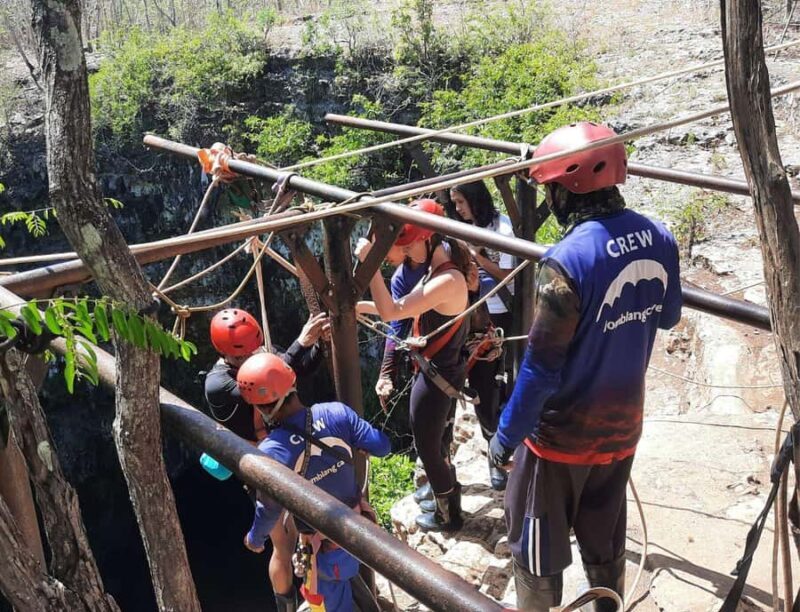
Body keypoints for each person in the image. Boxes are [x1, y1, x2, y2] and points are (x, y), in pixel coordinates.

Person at [488, 122, 682, 611]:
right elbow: (669, 316)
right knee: (605, 534)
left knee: (534, 551)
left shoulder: (568, 261)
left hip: (559, 442)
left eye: (550, 188)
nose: (549, 199)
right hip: (621, 431)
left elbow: (539, 371)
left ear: (567, 187)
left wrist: (504, 438)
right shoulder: (660, 238)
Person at [238, 353, 390, 612]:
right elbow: (382, 446)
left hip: (325, 549)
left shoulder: (272, 451)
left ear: (261, 408)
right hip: (361, 530)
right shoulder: (336, 412)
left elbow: (269, 510)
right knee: (349, 582)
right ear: (293, 382)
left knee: (333, 602)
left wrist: (255, 538)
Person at [355, 199, 471, 532]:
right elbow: (400, 308)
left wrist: (371, 264)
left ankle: (448, 514)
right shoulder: (440, 271)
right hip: (439, 370)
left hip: (438, 374)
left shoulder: (446, 280)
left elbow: (393, 312)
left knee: (427, 444)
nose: (406, 254)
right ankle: (445, 495)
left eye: (408, 246)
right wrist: (360, 306)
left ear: (426, 239)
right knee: (436, 439)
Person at [203, 307, 329, 612]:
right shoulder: (218, 385)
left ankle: (315, 595)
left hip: (288, 449)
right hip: (260, 459)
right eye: (241, 356)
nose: (250, 359)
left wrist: (320, 345)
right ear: (225, 355)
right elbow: (259, 383)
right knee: (282, 544)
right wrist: (301, 343)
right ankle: (286, 605)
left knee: (308, 531)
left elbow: (295, 371)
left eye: (254, 351)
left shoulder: (264, 353)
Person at [451, 179, 516, 491]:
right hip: (474, 313)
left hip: (503, 310)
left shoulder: (501, 228)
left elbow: (507, 273)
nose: (458, 209)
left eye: (461, 203)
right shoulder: (465, 226)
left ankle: (508, 450)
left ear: (475, 200)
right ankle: (495, 455)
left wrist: (475, 256)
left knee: (507, 383)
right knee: (482, 388)